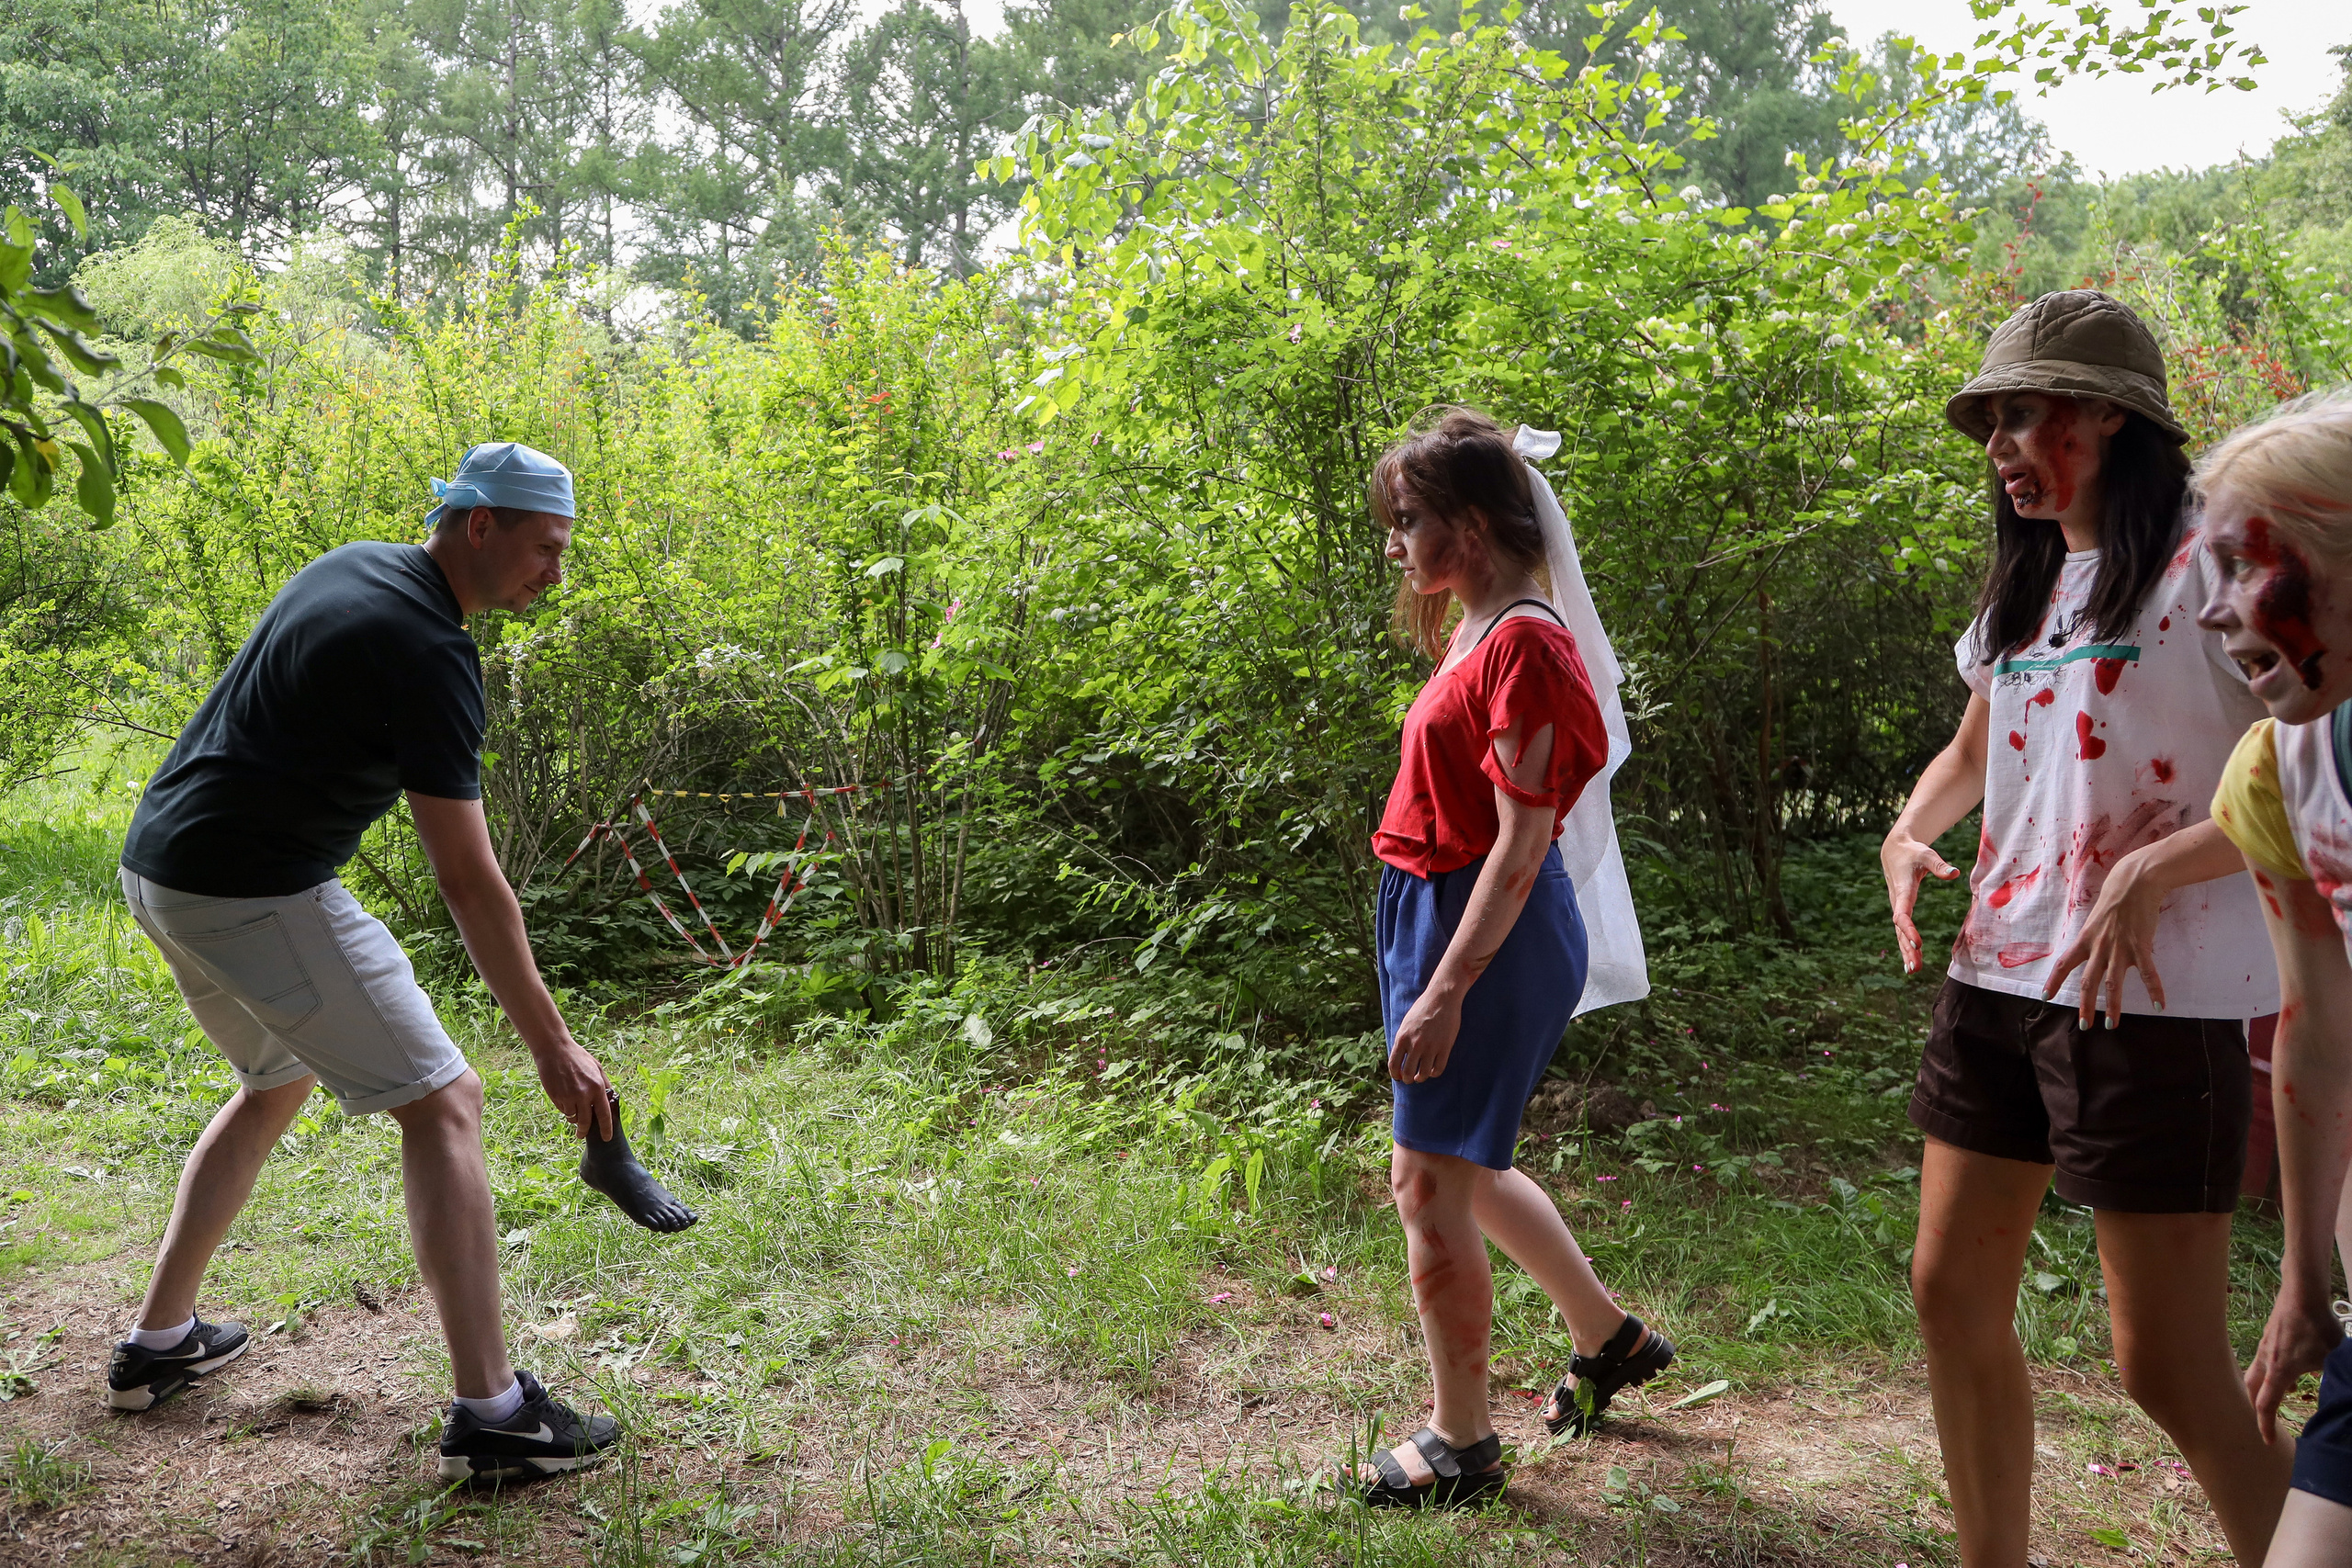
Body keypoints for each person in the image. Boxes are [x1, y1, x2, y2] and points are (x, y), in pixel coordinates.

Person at [107, 442, 691, 1483]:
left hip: (163, 871)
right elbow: (469, 882)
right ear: (479, 524)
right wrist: (553, 1047)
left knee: (274, 1081)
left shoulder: (355, 564)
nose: (555, 574)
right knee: (448, 1100)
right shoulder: (428, 652)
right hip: (252, 892)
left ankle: (158, 1346)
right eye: (545, 549)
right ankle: (497, 1416)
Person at [1880, 290, 2290, 1565]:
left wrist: (2161, 862)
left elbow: (2314, 774)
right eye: (1990, 422)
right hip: (1998, 975)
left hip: (2156, 1002)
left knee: (2167, 1364)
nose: (2001, 446)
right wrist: (1905, 830)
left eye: (2024, 415)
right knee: (1950, 1293)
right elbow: (1973, 744)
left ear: (2108, 417)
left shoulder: (2220, 571)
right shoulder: (2029, 586)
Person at [1344, 408, 1661, 1510]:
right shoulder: (1480, 628)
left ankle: (1461, 1441)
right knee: (1457, 1167)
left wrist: (1442, 990)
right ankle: (1606, 1336)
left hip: (1486, 929)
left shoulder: (1526, 645)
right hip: (1437, 911)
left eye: (1409, 520)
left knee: (1426, 1184)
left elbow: (1525, 848)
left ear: (1472, 526)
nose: (1396, 543)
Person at [2198, 388, 2352, 1568]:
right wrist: (2307, 1276)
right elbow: (2312, 1030)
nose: (2210, 612)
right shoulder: (2279, 771)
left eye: (2243, 565)